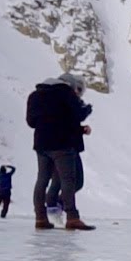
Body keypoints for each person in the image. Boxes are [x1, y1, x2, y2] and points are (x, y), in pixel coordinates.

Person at [26, 72, 95, 230]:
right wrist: (87, 109)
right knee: (68, 180)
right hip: (62, 144)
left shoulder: (35, 95)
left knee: (42, 180)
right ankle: (72, 217)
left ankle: (40, 218)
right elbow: (78, 114)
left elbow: (31, 122)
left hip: (42, 143)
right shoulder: (65, 92)